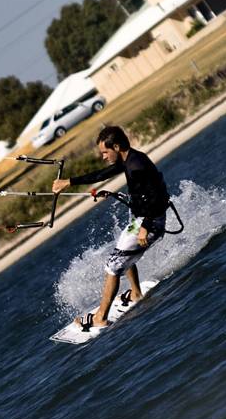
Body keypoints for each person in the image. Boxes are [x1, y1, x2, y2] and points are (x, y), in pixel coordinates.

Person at [52, 125, 169, 328]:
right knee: (122, 251)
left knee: (113, 265)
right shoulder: (128, 159)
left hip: (149, 222)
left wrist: (146, 226)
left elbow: (158, 196)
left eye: (105, 152)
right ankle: (135, 292)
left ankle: (100, 317)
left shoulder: (136, 165)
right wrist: (68, 182)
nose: (103, 156)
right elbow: (101, 175)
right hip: (141, 219)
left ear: (116, 146)